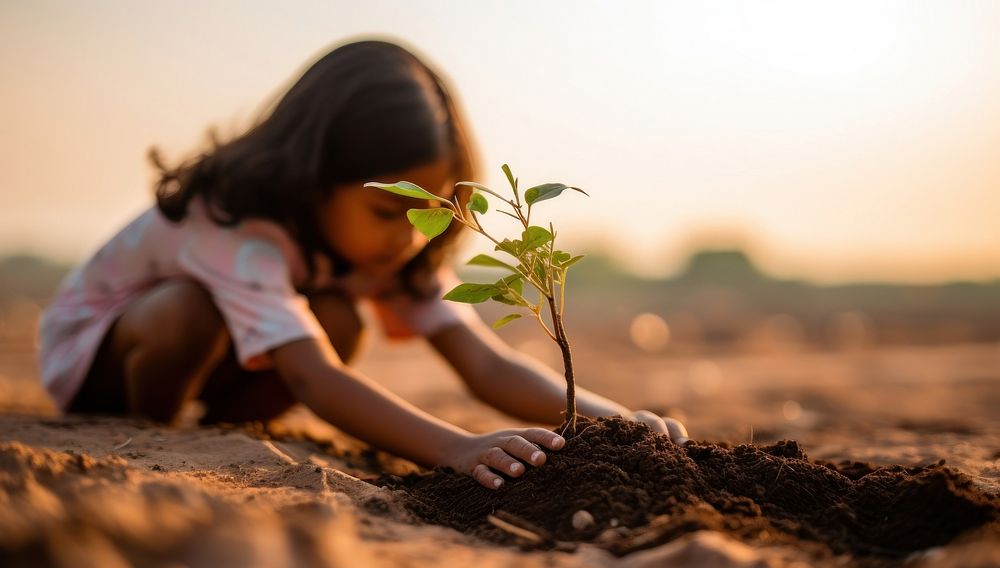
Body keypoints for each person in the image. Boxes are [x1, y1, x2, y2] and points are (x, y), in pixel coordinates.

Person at [38, 39, 688, 490]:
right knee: (190, 310)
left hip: (222, 359)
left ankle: (213, 421)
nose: (408, 237)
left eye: (430, 209)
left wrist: (615, 421)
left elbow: (485, 363)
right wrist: (457, 447)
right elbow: (315, 379)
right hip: (100, 359)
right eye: (388, 212)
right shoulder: (236, 224)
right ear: (316, 179)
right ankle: (153, 427)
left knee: (341, 322)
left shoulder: (383, 249)